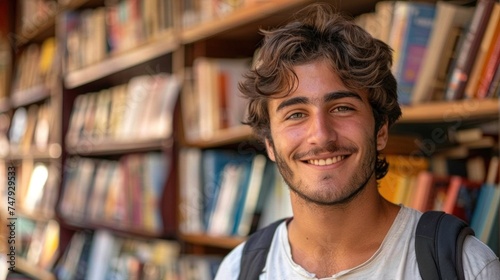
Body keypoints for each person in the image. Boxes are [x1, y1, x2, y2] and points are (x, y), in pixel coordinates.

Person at [214, 2, 500, 279]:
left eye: (342, 108)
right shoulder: (237, 270)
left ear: (381, 130)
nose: (322, 135)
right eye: (296, 114)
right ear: (270, 144)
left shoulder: (466, 265)